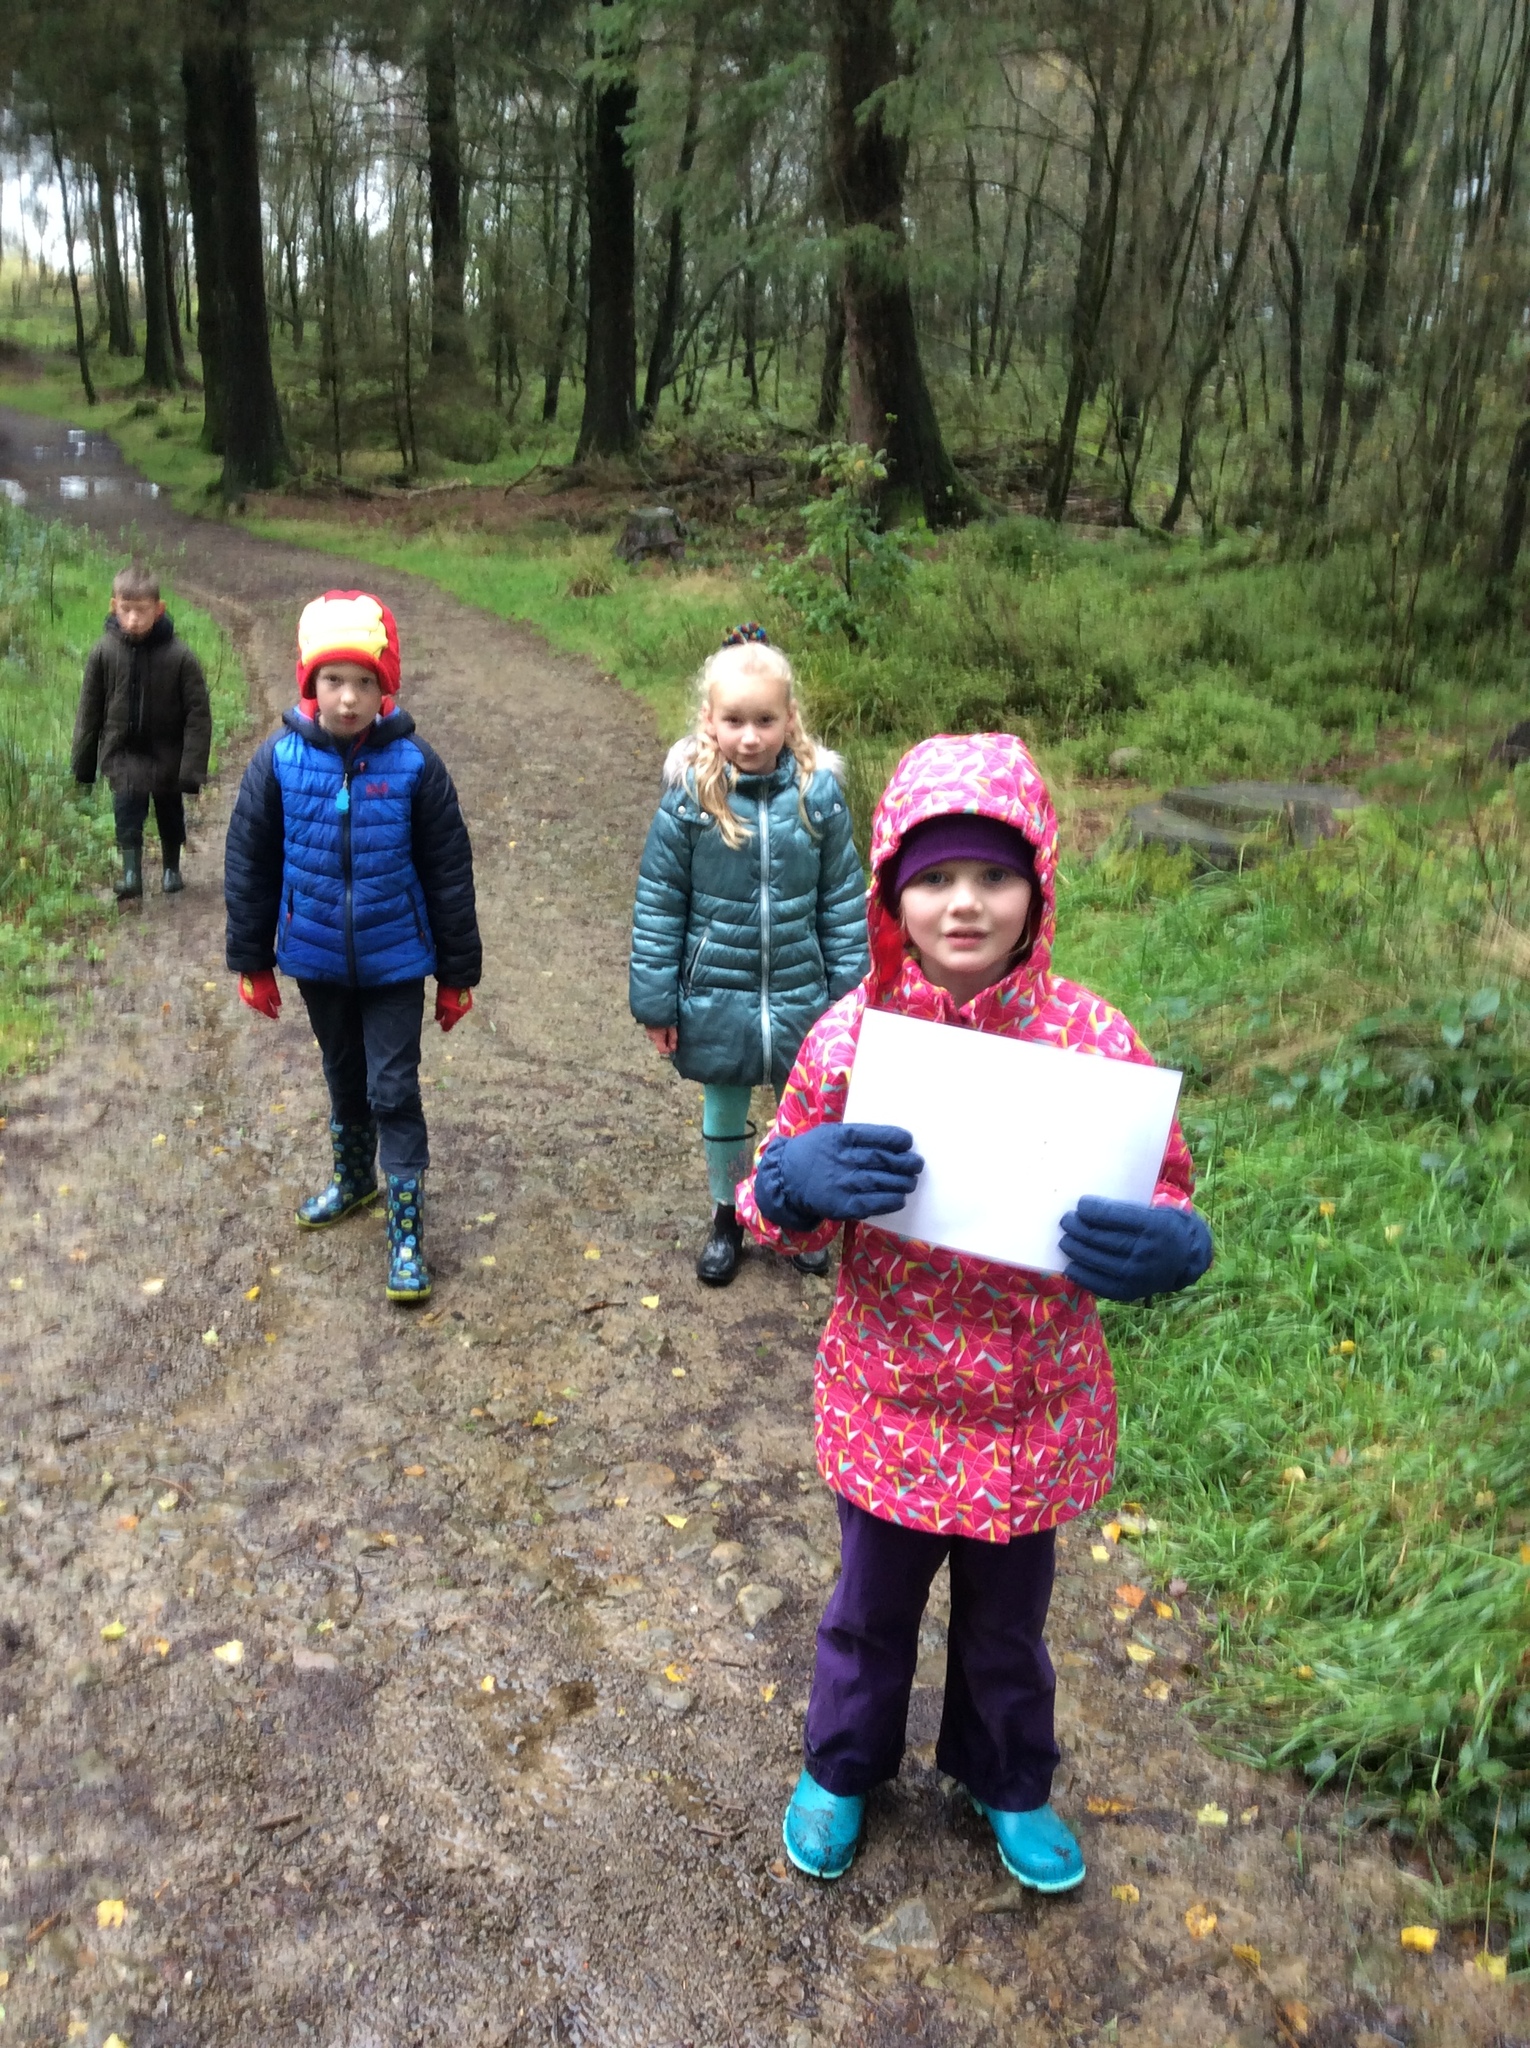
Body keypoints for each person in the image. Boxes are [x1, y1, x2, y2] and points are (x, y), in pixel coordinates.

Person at [737, 732, 1214, 1891]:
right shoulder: (852, 1039)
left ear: (1036, 888)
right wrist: (795, 1180)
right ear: (893, 887)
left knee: (1008, 1627)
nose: (965, 903)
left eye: (994, 876)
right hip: (890, 1396)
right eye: (937, 876)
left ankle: (1007, 1776)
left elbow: (1165, 1181)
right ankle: (843, 1763)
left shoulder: (1089, 1037)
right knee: (867, 1615)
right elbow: (767, 1195)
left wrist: (1170, 1239)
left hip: (1029, 1410)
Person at [223, 590, 480, 1304]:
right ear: (309, 683)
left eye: (364, 682)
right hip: (316, 958)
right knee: (343, 1074)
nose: (347, 697)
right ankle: (355, 1180)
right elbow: (250, 863)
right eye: (333, 681)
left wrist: (457, 974)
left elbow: (449, 871)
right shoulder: (278, 763)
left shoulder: (415, 767)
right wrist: (252, 959)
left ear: (384, 687)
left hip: (397, 957)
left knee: (392, 1086)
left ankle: (406, 1230)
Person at [629, 625, 868, 1286]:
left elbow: (843, 901)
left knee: (805, 1108)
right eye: (734, 720)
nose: (751, 737)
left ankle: (796, 1216)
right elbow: (659, 902)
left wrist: (853, 1002)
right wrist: (657, 1000)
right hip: (716, 991)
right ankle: (729, 1213)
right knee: (726, 1110)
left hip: (803, 993)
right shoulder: (691, 800)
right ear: (709, 720)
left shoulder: (817, 796)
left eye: (765, 720)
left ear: (790, 719)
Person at [71, 564, 212, 900]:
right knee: (127, 813)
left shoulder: (180, 656)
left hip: (167, 753)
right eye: (126, 610)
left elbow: (198, 713)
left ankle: (171, 869)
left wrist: (191, 768)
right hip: (124, 753)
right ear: (113, 606)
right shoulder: (104, 652)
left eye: (142, 611)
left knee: (169, 814)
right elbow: (89, 710)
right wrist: (83, 763)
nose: (133, 619)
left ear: (159, 609)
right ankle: (131, 874)